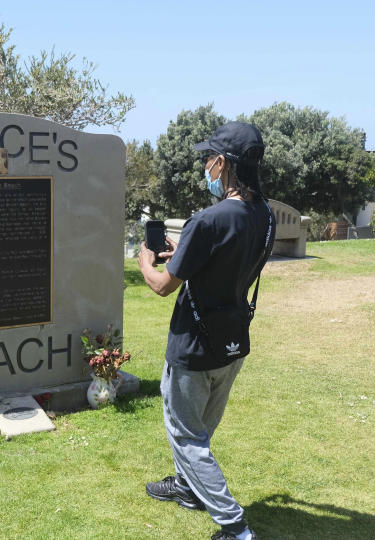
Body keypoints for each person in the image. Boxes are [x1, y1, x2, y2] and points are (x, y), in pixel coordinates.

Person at [136, 121, 274, 540]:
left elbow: (163, 286)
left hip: (194, 347)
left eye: (208, 159)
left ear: (222, 163)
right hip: (232, 343)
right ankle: (187, 487)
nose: (206, 167)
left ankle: (234, 528)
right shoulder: (264, 215)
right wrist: (186, 254)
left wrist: (144, 258)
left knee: (186, 434)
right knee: (201, 428)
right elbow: (224, 261)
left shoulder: (208, 219)